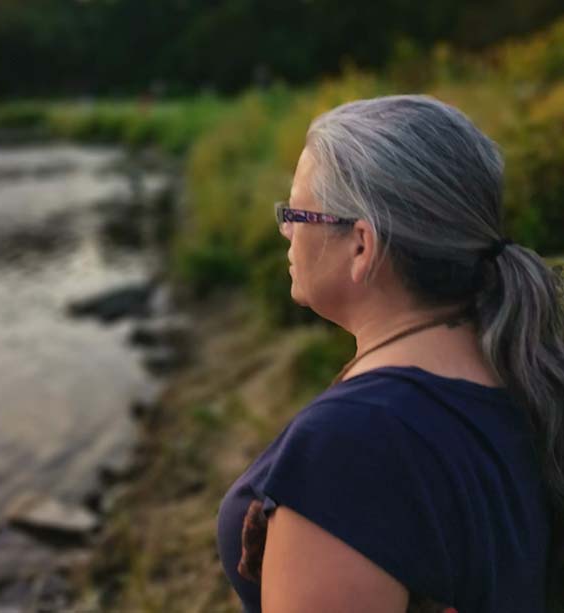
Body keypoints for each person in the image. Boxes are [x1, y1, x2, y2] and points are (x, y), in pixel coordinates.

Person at [216, 95, 564, 613]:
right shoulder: (525, 368)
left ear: (361, 244)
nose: (286, 233)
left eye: (296, 213)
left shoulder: (351, 445)